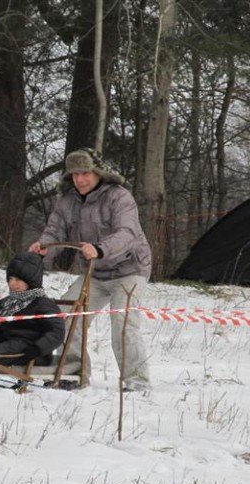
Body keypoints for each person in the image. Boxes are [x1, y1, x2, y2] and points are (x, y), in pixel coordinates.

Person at [28, 147, 152, 391]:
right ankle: (74, 373)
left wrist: (100, 248)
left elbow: (127, 233)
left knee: (123, 322)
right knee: (65, 316)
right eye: (74, 175)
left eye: (85, 173)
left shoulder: (120, 197)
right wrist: (44, 248)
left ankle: (137, 382)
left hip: (129, 270)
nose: (80, 180)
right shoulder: (67, 202)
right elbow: (55, 231)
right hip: (94, 275)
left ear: (98, 174)